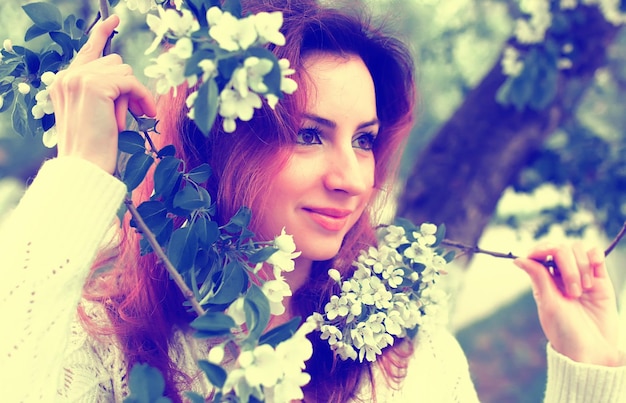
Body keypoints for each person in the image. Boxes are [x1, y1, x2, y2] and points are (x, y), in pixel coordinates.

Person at [1, 0, 625, 402]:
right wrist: (80, 175)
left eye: (364, 140)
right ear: (223, 140)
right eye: (308, 134)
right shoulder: (110, 345)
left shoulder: (404, 358)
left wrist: (588, 374)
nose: (354, 177)